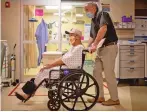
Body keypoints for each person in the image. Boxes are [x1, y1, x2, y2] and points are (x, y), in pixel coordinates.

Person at [15, 28, 84, 101]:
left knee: (44, 72)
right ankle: (30, 92)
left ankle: (29, 93)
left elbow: (64, 60)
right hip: (66, 69)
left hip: (69, 71)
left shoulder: (78, 48)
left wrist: (51, 65)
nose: (70, 37)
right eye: (69, 35)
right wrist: (50, 65)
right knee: (43, 71)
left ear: (78, 37)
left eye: (71, 35)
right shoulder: (74, 47)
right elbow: (63, 58)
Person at [84, 2, 120, 106]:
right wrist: (86, 46)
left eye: (87, 10)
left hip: (109, 47)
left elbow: (103, 29)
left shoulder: (103, 14)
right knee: (96, 72)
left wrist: (94, 44)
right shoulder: (92, 20)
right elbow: (92, 36)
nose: (86, 12)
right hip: (100, 49)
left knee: (109, 74)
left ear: (94, 8)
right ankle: (100, 96)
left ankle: (114, 99)